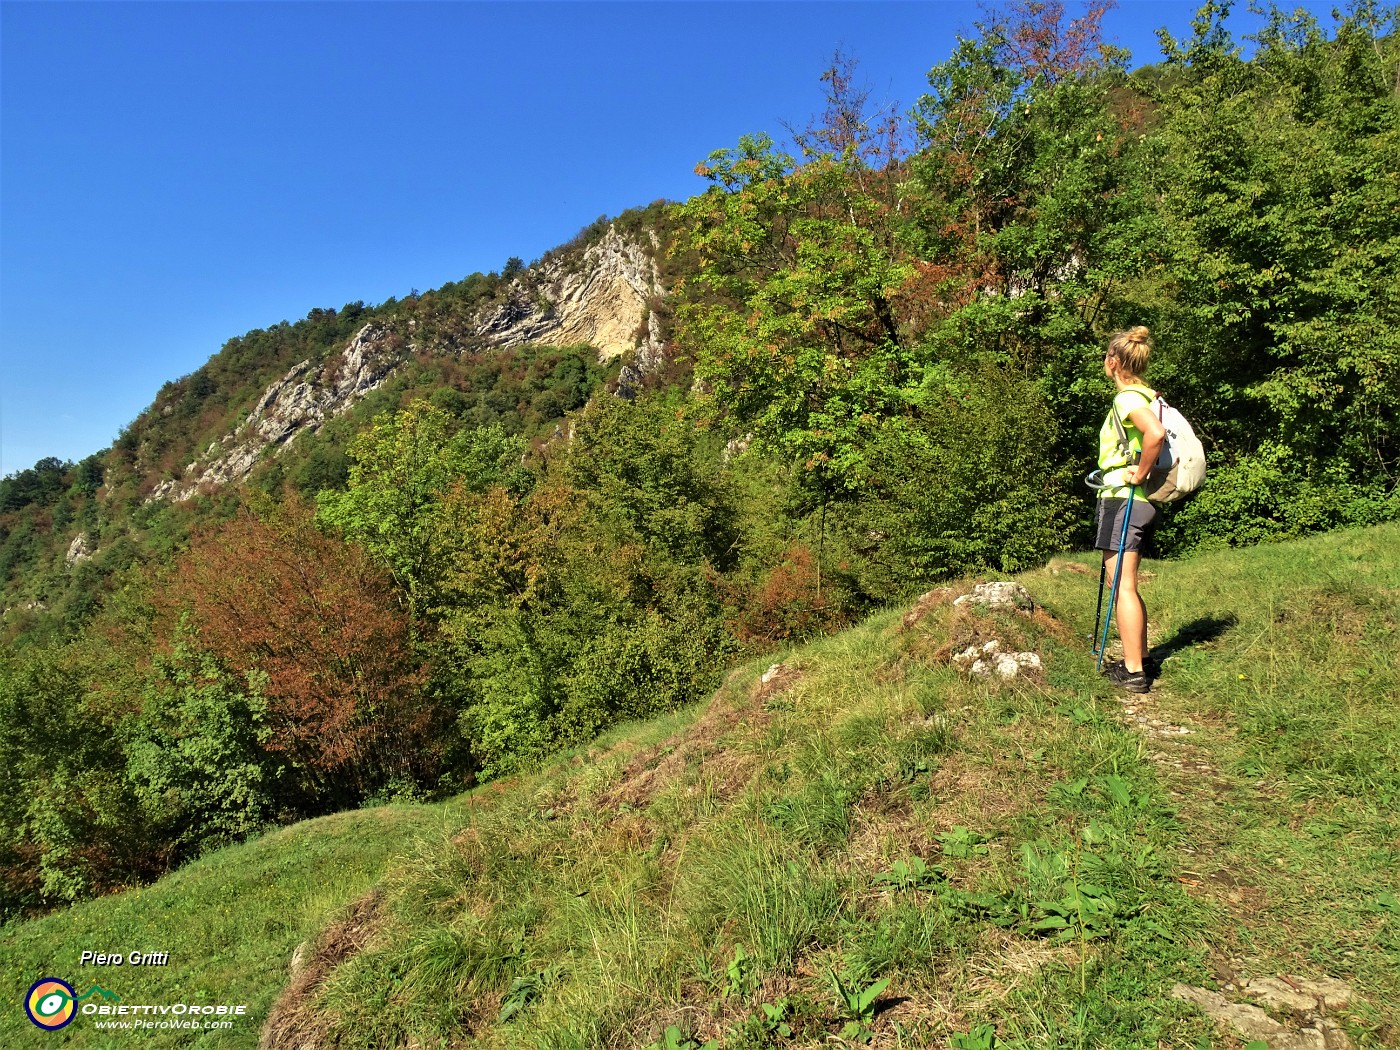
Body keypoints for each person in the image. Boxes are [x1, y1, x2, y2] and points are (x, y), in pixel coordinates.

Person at [1096, 326, 1166, 694]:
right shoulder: (1147, 395)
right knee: (1127, 584)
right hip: (1138, 503)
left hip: (1122, 499)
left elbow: (1154, 435)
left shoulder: (1127, 399)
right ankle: (1140, 656)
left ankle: (1134, 670)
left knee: (1120, 584)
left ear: (1114, 361)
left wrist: (1138, 473)